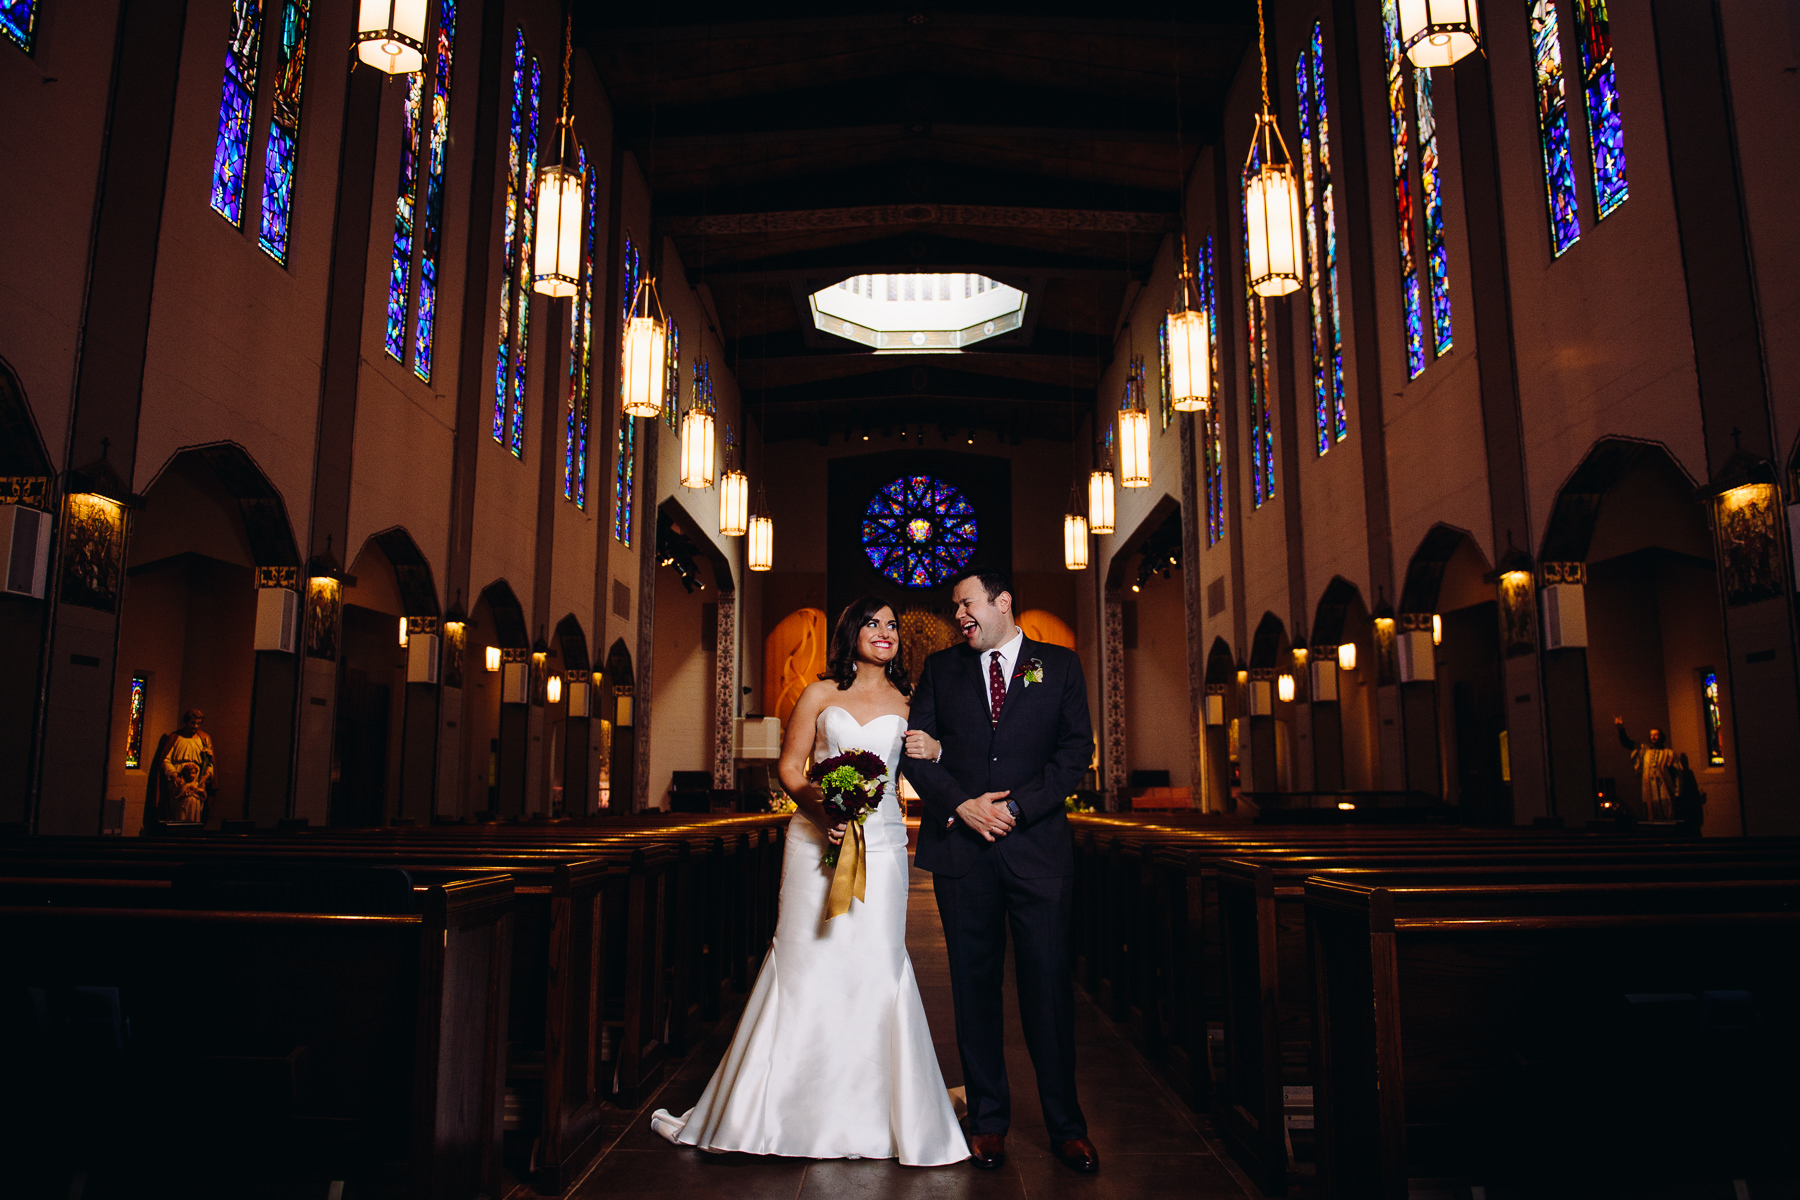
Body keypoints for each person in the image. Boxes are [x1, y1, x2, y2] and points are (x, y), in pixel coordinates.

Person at [651, 597, 966, 1165]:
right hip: (814, 842)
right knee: (806, 960)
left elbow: (928, 763)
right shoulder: (820, 694)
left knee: (876, 964)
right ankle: (776, 1108)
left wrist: (939, 749)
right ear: (851, 632)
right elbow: (791, 766)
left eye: (892, 625)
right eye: (873, 623)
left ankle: (874, 1109)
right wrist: (824, 809)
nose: (886, 632)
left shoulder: (911, 701)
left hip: (886, 845)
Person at [900, 569, 1099, 1174]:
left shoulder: (1058, 666)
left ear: (1002, 601)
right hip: (963, 851)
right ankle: (988, 1121)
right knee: (973, 989)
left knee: (1047, 988)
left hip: (1035, 851)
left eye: (966, 604)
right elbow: (916, 747)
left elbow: (1073, 755)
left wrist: (1013, 808)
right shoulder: (941, 669)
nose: (958, 615)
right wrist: (962, 805)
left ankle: (1066, 1124)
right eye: (955, 606)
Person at [148, 708, 215, 824]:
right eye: (193, 723)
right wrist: (173, 774)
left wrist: (207, 775)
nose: (195, 726)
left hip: (197, 782)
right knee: (180, 813)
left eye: (198, 724)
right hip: (179, 781)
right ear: (186, 722)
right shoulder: (175, 738)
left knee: (194, 809)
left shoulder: (204, 739)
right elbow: (165, 760)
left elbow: (210, 763)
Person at [1615, 717, 1678, 822]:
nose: (1653, 737)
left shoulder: (1668, 753)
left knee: (1666, 812)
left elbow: (1676, 774)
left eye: (1656, 735)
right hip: (1649, 790)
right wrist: (1621, 729)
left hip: (1663, 789)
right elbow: (1628, 743)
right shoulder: (1644, 750)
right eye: (1651, 735)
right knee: (1651, 813)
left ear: (1661, 736)